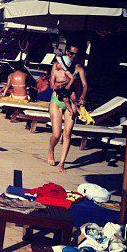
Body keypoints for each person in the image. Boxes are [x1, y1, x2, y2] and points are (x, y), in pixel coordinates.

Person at [48, 42, 88, 172]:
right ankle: (51, 149)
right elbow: (51, 84)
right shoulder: (57, 65)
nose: (72, 56)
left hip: (72, 102)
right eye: (71, 53)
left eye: (75, 54)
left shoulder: (78, 68)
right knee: (56, 134)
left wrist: (82, 97)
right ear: (66, 52)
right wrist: (62, 84)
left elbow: (85, 85)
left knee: (67, 133)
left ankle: (62, 163)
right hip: (57, 100)